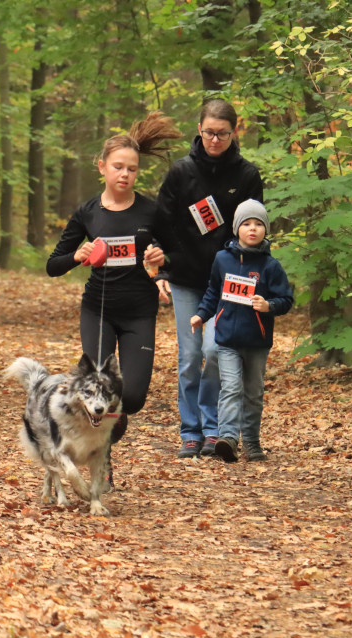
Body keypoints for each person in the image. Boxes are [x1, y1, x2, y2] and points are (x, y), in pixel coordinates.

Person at [46, 111, 183, 485]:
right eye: (118, 167)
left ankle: (101, 447)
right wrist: (77, 255)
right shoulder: (88, 213)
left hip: (139, 312)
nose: (125, 174)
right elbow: (52, 265)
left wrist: (163, 262)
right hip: (98, 310)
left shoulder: (151, 211)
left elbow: (176, 253)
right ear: (102, 167)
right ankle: (97, 461)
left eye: (132, 169)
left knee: (133, 398)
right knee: (100, 387)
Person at [155, 99, 264, 459]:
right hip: (187, 278)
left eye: (222, 134)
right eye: (208, 133)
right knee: (189, 357)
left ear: (235, 133)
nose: (214, 140)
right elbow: (162, 224)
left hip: (229, 283)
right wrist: (163, 268)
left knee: (216, 351)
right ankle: (191, 431)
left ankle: (213, 428)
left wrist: (254, 272)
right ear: (198, 130)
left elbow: (256, 230)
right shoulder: (180, 172)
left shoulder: (247, 176)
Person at [190, 199, 293, 463]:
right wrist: (201, 315)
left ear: (265, 230)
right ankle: (227, 439)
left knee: (254, 392)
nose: (252, 229)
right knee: (231, 388)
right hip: (227, 339)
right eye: (246, 223)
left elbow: (286, 300)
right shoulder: (222, 259)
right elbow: (213, 291)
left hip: (257, 341)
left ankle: (251, 441)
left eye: (258, 224)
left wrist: (268, 305)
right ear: (237, 228)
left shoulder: (271, 266)